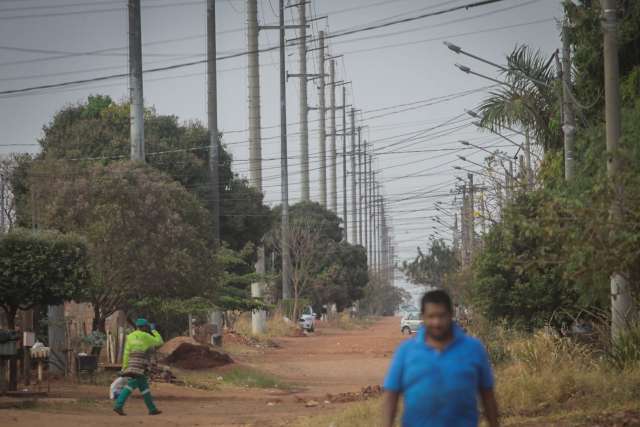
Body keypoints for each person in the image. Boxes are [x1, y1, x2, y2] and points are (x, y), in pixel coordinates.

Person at [382, 290, 499, 427]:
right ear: (423, 317)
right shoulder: (405, 351)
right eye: (431, 316)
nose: (436, 322)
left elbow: (488, 396)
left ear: (451, 315)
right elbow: (391, 396)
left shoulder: (474, 349)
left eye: (442, 316)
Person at [113, 318, 164, 416]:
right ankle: (118, 405)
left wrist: (125, 367)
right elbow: (159, 342)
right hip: (141, 364)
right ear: (144, 327)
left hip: (132, 363)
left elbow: (126, 353)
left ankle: (152, 409)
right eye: (147, 327)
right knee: (131, 385)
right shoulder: (146, 336)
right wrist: (154, 330)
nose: (147, 328)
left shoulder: (130, 336)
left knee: (144, 387)